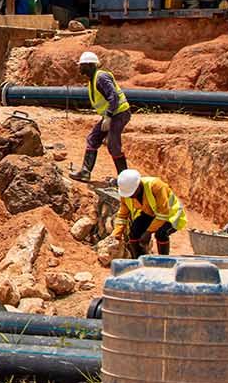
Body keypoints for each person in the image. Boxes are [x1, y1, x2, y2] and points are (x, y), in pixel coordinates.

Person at [71, 51, 131, 181]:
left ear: (89, 65)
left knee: (113, 145)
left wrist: (108, 116)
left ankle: (124, 180)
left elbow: (113, 97)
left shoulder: (101, 77)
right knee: (93, 139)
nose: (80, 67)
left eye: (81, 65)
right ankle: (85, 172)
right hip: (112, 114)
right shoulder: (93, 80)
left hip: (119, 113)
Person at [112, 168, 186, 258]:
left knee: (161, 234)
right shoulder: (126, 195)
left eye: (132, 193)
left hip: (172, 214)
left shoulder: (156, 186)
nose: (131, 196)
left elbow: (163, 213)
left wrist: (148, 232)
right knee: (134, 231)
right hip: (152, 214)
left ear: (138, 185)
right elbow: (122, 216)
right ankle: (139, 261)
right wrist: (116, 234)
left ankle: (164, 261)